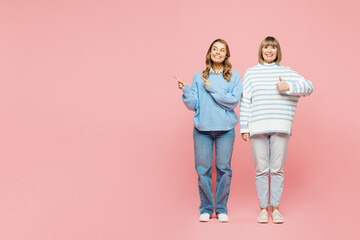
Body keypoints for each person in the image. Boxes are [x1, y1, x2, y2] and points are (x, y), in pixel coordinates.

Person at [239, 36, 313, 224]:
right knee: (261, 170)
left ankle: (276, 208)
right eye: (266, 47)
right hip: (257, 126)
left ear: (277, 51)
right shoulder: (251, 73)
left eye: (273, 47)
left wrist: (288, 87)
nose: (269, 51)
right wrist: (244, 127)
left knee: (277, 169)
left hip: (281, 126)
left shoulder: (286, 72)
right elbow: (245, 100)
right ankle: (263, 209)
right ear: (261, 50)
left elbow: (309, 87)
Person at [174, 39, 242, 222]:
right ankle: (205, 208)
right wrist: (186, 91)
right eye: (215, 49)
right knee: (203, 170)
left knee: (224, 169)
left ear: (227, 55)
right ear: (209, 52)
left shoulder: (234, 76)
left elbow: (232, 102)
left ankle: (220, 209)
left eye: (222, 50)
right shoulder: (199, 76)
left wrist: (212, 89)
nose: (218, 52)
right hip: (202, 129)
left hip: (225, 130)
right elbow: (194, 105)